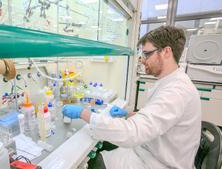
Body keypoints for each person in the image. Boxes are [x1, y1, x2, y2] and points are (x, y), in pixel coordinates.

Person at [62, 26, 201, 169]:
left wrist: (83, 113)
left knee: (91, 162)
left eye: (147, 54)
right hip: (150, 151)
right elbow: (157, 119)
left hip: (157, 163)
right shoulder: (170, 81)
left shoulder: (177, 91)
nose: (142, 60)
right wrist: (128, 113)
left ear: (166, 52)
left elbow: (132, 133)